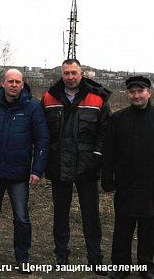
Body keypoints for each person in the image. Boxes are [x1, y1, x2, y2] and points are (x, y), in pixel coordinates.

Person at [0, 69, 49, 274]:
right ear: (3, 83)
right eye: (10, 81)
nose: (14, 84)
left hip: (19, 175)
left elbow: (42, 141)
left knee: (21, 218)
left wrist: (37, 170)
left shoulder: (32, 107)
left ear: (23, 85)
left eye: (17, 81)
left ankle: (22, 258)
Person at [102, 76, 154, 279]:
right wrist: (107, 179)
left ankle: (146, 267)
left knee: (148, 230)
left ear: (149, 93)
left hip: (151, 185)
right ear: (128, 94)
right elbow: (108, 152)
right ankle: (120, 267)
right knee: (122, 228)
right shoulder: (118, 119)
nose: (136, 95)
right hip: (125, 183)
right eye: (132, 92)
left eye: (140, 91)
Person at [42, 59, 111, 274]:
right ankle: (61, 255)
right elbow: (42, 132)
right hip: (59, 166)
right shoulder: (48, 97)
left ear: (81, 74)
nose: (70, 77)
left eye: (74, 73)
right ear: (61, 75)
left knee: (91, 216)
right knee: (60, 215)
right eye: (66, 73)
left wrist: (96, 157)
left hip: (87, 168)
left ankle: (95, 257)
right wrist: (47, 159)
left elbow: (105, 132)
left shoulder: (97, 98)